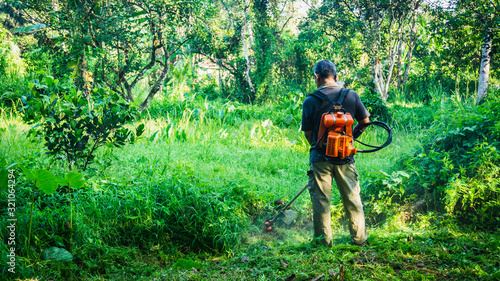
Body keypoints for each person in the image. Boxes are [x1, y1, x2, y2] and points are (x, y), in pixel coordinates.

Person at [301, 59, 370, 247]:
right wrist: (349, 140)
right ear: (336, 76)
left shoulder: (310, 100)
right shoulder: (352, 95)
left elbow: (308, 133)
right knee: (352, 198)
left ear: (317, 77)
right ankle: (359, 239)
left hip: (320, 158)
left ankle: (323, 244)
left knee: (321, 201)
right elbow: (365, 121)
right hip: (346, 156)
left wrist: (321, 147)